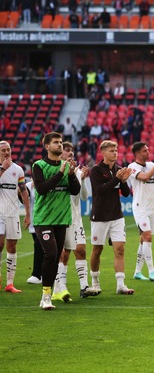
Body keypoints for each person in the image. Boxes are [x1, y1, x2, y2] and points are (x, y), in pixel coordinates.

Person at [31, 132, 80, 309]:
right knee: (50, 254)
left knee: (55, 257)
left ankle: (47, 294)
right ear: (47, 146)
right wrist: (60, 173)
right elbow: (42, 189)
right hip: (44, 218)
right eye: (56, 143)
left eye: (60, 142)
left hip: (62, 218)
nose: (60, 145)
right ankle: (45, 296)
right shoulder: (39, 165)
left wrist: (72, 174)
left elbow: (75, 191)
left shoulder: (66, 166)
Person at [87, 140, 135, 296]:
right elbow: (100, 190)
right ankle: (95, 283)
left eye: (116, 150)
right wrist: (116, 179)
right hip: (100, 216)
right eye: (111, 150)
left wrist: (123, 181)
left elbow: (126, 194)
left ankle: (120, 285)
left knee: (120, 249)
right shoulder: (96, 170)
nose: (115, 152)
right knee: (97, 250)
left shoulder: (119, 169)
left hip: (116, 216)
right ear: (103, 153)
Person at [51, 141, 91, 302]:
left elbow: (84, 197)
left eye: (72, 151)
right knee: (63, 254)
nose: (70, 153)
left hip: (76, 219)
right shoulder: (57, 171)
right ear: (60, 154)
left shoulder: (76, 173)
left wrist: (84, 179)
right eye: (67, 151)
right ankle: (61, 288)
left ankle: (84, 287)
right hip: (61, 218)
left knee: (80, 251)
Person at [127, 142, 154, 282]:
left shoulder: (151, 165)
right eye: (145, 151)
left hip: (152, 208)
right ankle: (151, 271)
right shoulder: (132, 167)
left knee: (143, 239)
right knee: (148, 237)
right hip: (140, 208)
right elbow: (145, 177)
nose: (148, 152)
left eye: (148, 150)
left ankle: (137, 271)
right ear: (137, 153)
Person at [0, 140, 31, 293]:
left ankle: (9, 283)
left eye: (9, 149)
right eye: (3, 150)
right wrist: (2, 169)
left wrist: (28, 213)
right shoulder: (2, 168)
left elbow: (23, 191)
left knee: (12, 246)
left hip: (12, 213)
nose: (7, 152)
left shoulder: (18, 169)